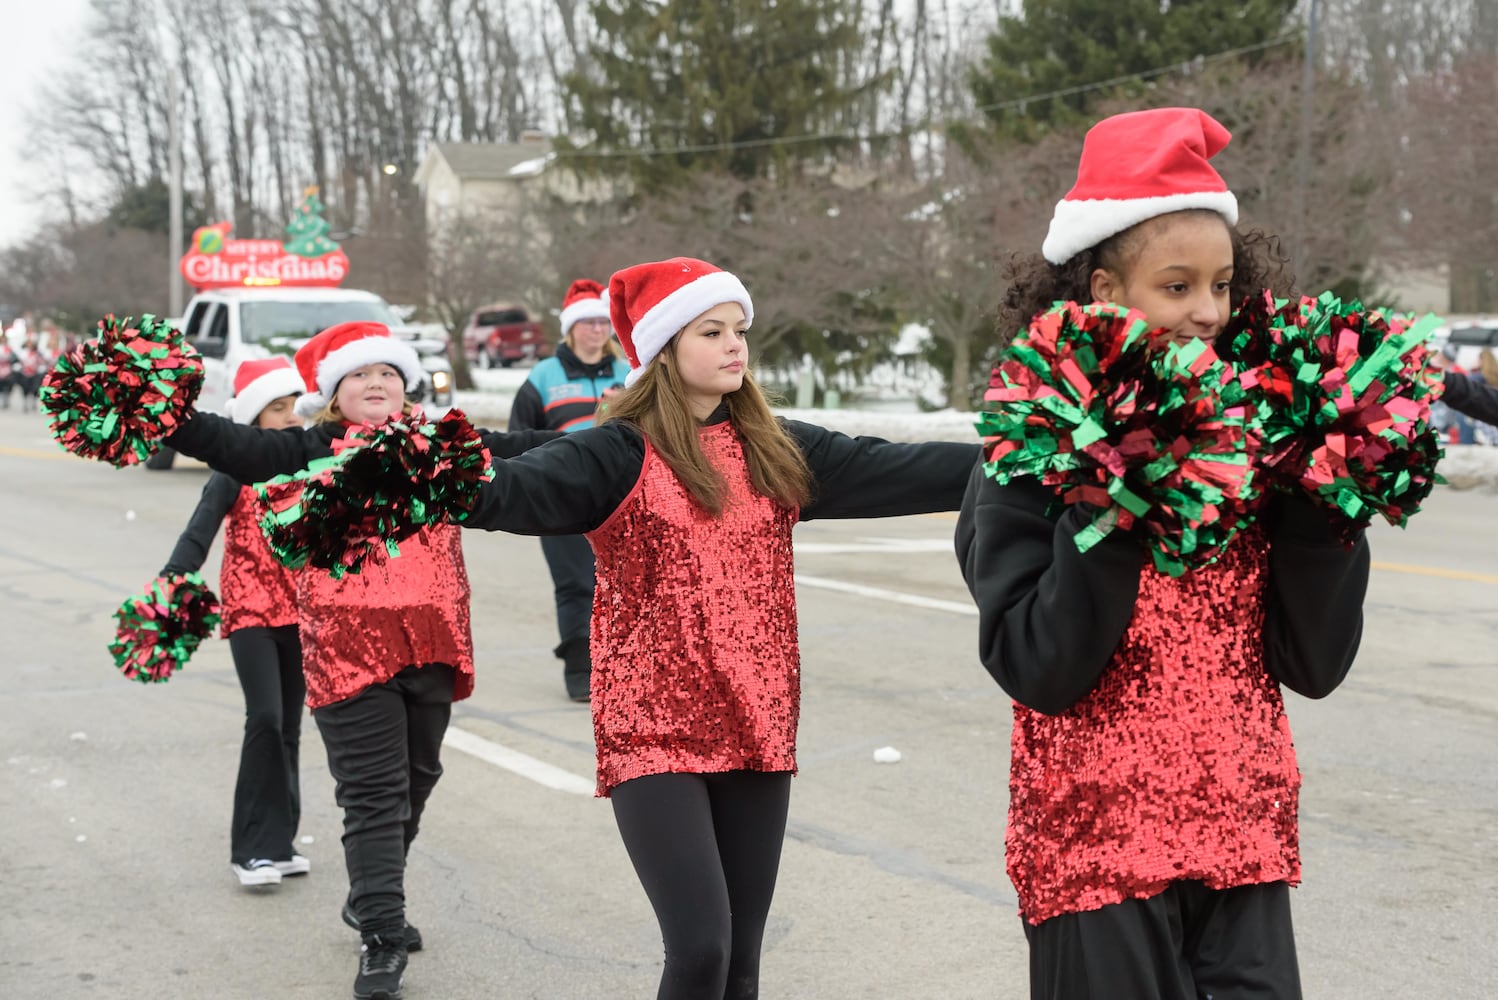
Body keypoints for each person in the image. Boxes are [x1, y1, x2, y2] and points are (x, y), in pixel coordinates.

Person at [457, 257, 979, 1000]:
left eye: (739, 329)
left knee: (739, 962)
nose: (735, 344)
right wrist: (424, 477)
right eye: (712, 330)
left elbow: (901, 467)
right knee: (700, 947)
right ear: (666, 347)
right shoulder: (619, 450)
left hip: (755, 720)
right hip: (653, 728)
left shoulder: (774, 448)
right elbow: (515, 490)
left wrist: (1025, 460)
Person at [956, 107, 1372, 1000]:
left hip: (1243, 841)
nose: (1208, 313)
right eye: (1177, 286)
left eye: (1221, 285)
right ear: (1106, 291)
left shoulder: (1258, 442)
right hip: (1095, 852)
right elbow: (1039, 666)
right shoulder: (1031, 448)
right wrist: (1112, 494)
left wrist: (1333, 500)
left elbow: (1315, 663)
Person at [153, 324, 559, 1000]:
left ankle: (372, 895)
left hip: (431, 641)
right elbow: (227, 443)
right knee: (372, 796)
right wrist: (163, 410)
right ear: (335, 392)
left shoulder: (444, 445)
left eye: (389, 373)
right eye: (359, 374)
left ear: (407, 386)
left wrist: (631, 434)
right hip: (346, 653)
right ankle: (381, 936)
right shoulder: (304, 449)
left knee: (416, 781)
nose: (376, 383)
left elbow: (531, 450)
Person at [159, 357, 310, 888]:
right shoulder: (234, 471)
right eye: (278, 408)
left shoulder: (309, 467)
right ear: (253, 417)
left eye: (296, 407)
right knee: (265, 720)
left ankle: (281, 843)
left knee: (290, 728)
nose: (292, 417)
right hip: (250, 612)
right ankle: (250, 850)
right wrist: (174, 577)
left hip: (302, 615)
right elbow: (199, 530)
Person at [507, 278, 631, 700]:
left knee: (623, 583)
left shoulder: (627, 372)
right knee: (575, 584)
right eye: (588, 323)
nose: (597, 330)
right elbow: (519, 437)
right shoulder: (543, 376)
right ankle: (580, 669)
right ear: (571, 328)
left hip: (619, 496)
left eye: (603, 323)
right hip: (562, 494)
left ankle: (620, 664)